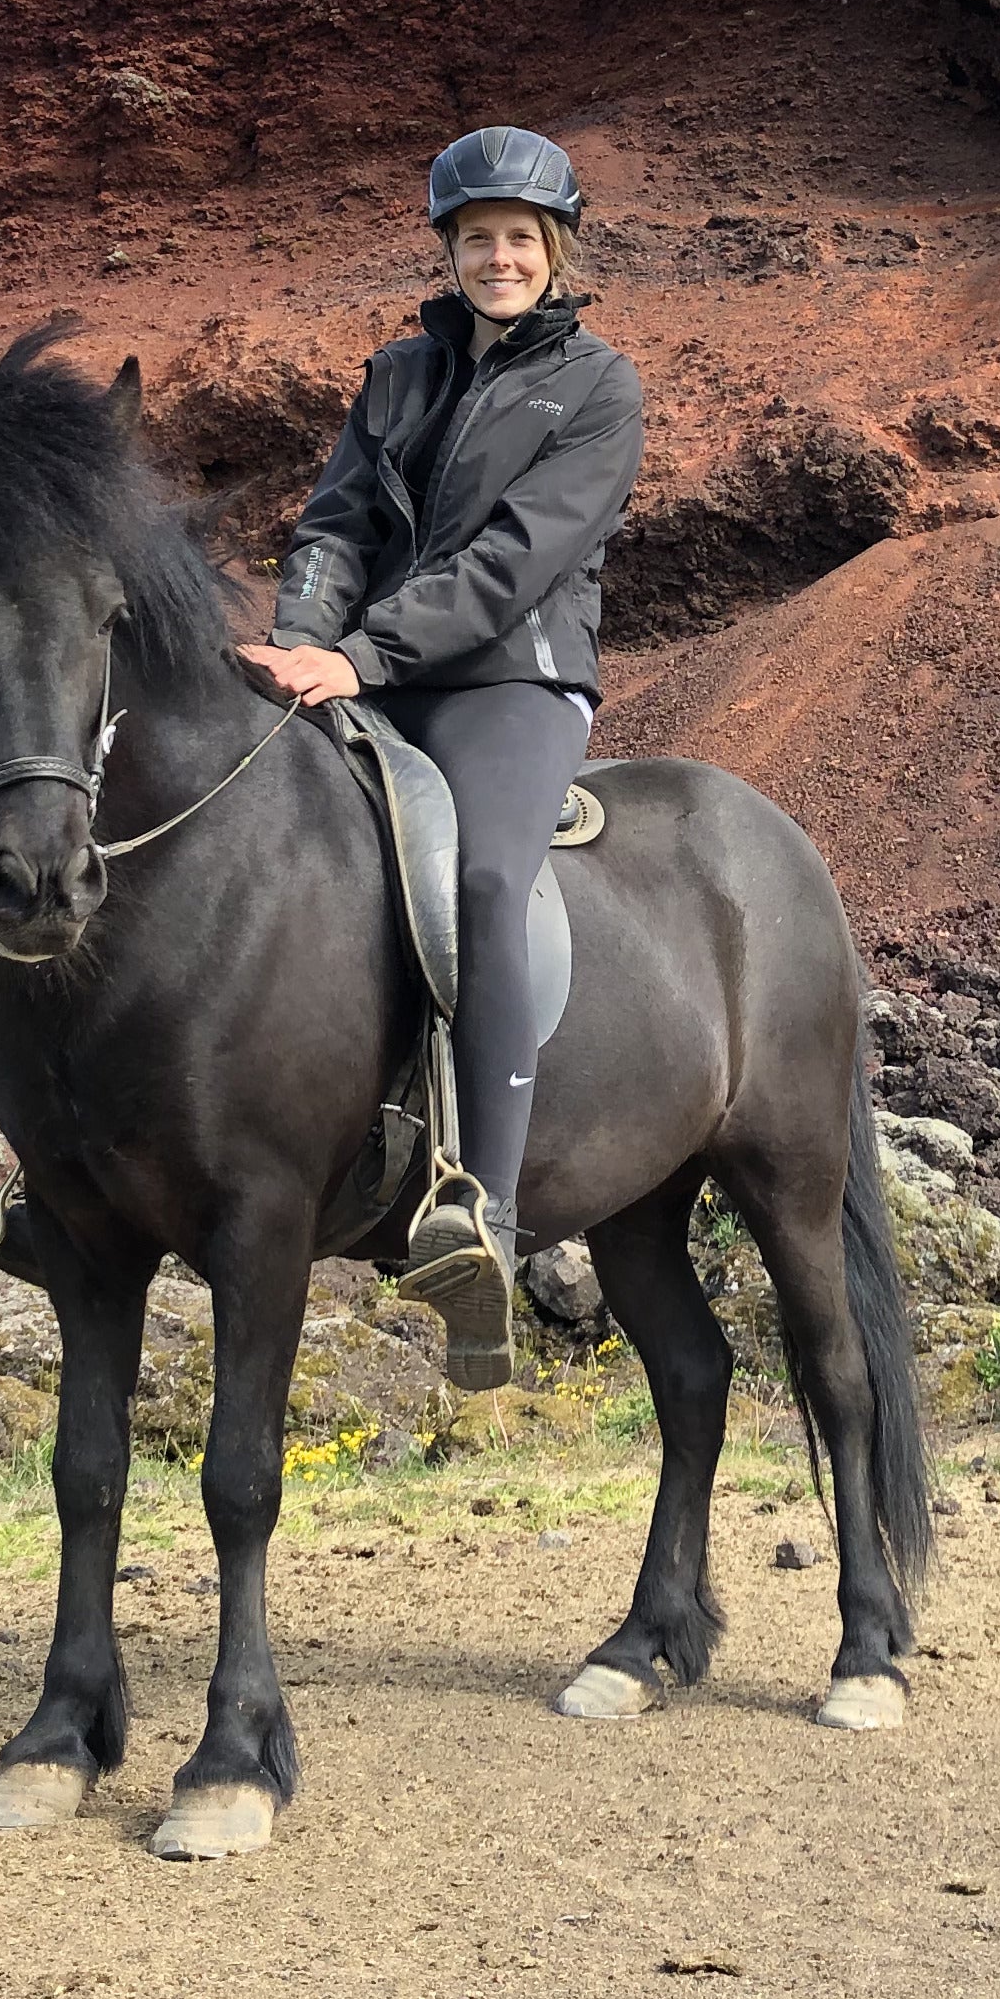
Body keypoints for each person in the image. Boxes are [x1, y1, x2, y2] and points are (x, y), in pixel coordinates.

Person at [240, 127, 645, 1380]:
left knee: (477, 881)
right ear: (451, 251)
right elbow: (334, 523)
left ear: (555, 250)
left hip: (511, 679)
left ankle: (491, 1216)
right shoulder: (399, 374)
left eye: (522, 238)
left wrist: (362, 655)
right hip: (366, 661)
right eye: (478, 239)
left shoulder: (597, 389)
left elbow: (514, 561)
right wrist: (298, 639)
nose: (500, 256)